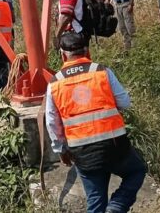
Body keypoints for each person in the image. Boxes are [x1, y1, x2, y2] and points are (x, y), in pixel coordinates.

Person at [46, 31, 147, 213]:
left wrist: (60, 150)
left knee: (96, 201)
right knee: (137, 171)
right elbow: (124, 102)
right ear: (86, 51)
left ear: (62, 55)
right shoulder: (102, 71)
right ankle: (116, 206)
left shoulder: (54, 83)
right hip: (115, 145)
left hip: (83, 151)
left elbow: (52, 123)